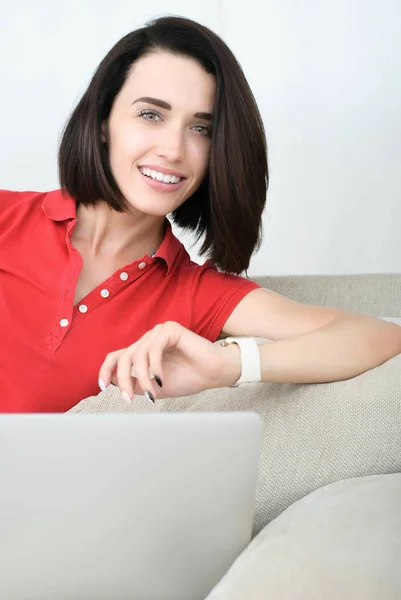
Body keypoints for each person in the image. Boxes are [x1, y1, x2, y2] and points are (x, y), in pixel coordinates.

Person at [1, 16, 400, 413]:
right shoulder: (8, 216)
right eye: (151, 115)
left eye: (201, 129)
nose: (174, 149)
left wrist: (229, 366)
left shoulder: (196, 295)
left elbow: (382, 337)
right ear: (103, 121)